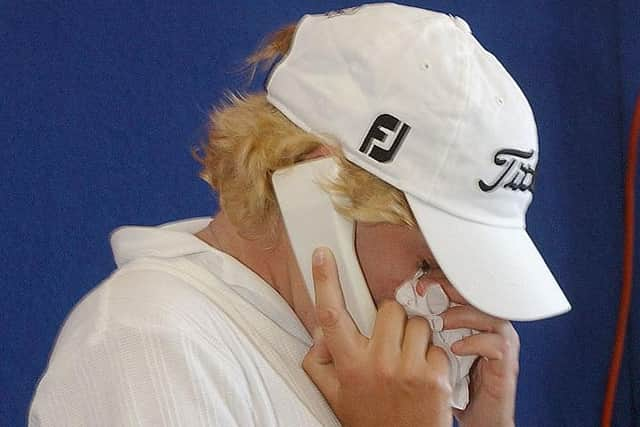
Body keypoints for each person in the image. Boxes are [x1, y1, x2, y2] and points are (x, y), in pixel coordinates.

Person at [29, 3, 571, 426]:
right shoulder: (151, 338)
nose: (465, 303)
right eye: (431, 262)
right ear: (319, 189)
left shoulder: (349, 369)